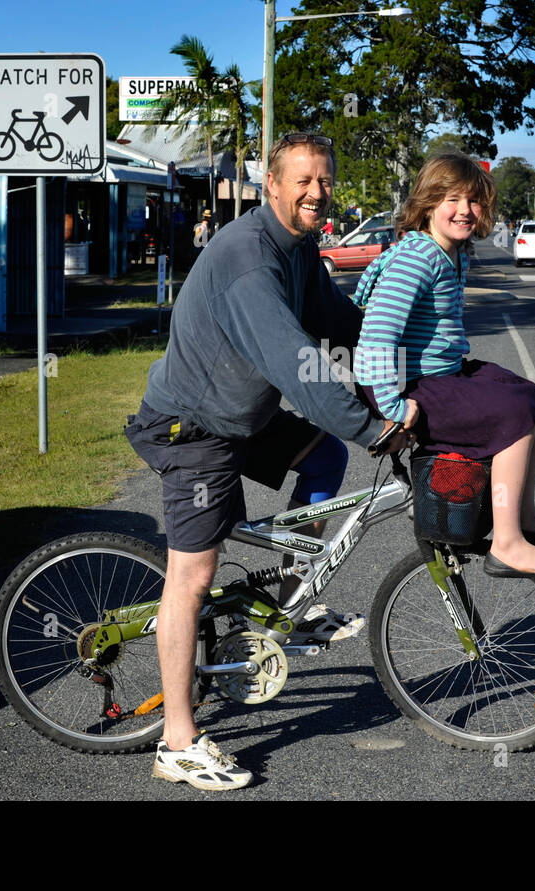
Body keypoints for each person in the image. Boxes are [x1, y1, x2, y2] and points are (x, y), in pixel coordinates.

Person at [124, 132, 409, 791]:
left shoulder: (300, 249)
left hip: (239, 415)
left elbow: (337, 320)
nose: (317, 190)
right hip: (192, 426)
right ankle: (178, 741)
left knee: (324, 458)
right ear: (270, 185)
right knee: (193, 577)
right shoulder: (252, 261)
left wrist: (404, 351)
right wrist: (377, 429)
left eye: (325, 179)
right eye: (303, 180)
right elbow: (300, 369)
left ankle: (288, 599)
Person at [353, 152, 535, 581]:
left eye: (474, 201)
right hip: (403, 382)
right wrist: (392, 406)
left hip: (439, 372)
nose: (465, 210)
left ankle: (525, 517)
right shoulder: (417, 257)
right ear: (427, 203)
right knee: (511, 415)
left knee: (530, 397)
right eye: (452, 199)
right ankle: (507, 543)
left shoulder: (452, 252)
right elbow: (376, 336)